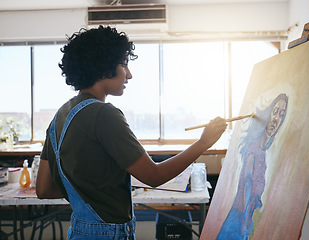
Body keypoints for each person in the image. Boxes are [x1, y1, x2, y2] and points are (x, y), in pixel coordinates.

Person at [36, 26, 227, 240]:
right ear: (103, 66)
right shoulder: (103, 113)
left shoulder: (59, 117)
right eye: (124, 64)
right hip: (108, 234)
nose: (129, 74)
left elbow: (43, 189)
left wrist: (90, 191)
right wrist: (203, 142)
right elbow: (154, 177)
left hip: (79, 231)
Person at [216, 93, 288, 240]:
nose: (276, 118)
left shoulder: (267, 149)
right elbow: (248, 183)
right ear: (268, 114)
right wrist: (246, 222)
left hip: (243, 218)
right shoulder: (254, 149)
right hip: (239, 219)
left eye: (281, 114)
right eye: (274, 112)